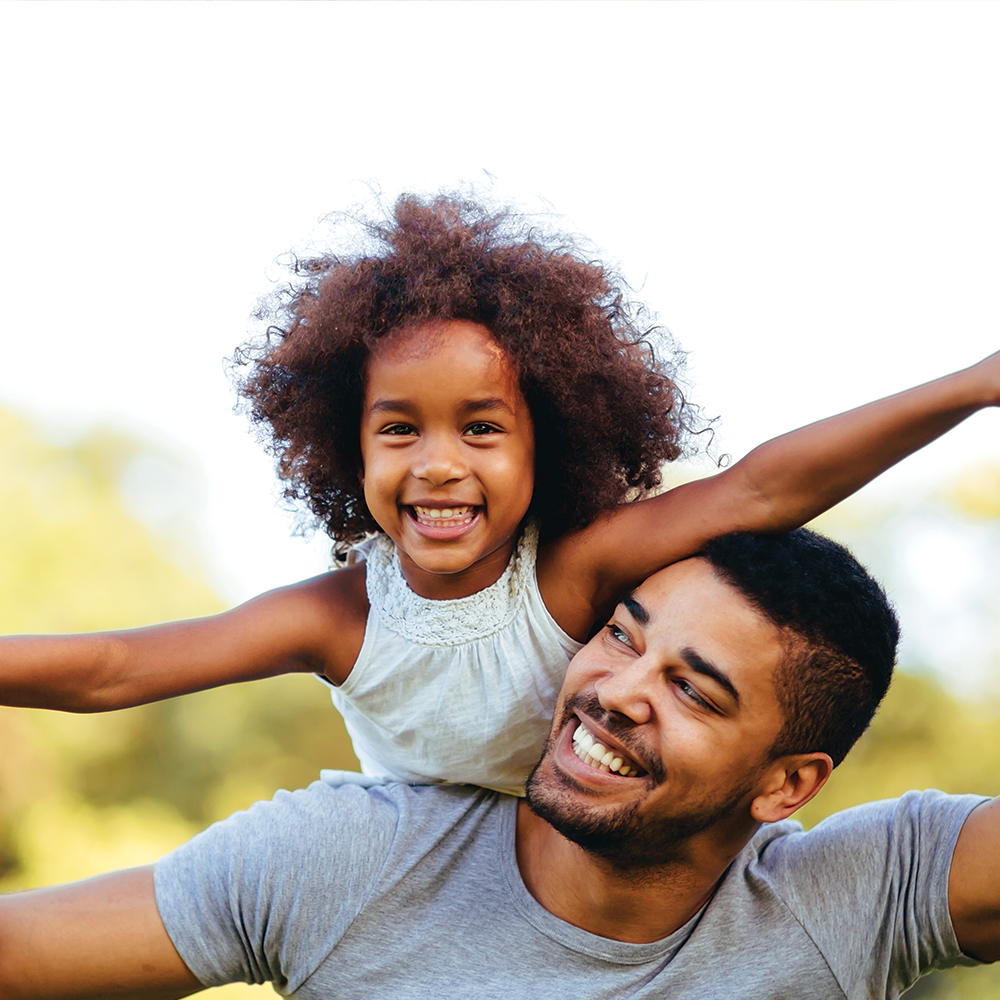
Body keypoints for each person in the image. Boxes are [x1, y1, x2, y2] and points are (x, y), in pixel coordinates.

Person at [2, 193, 999, 796]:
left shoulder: (570, 574)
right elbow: (115, 668)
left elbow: (765, 486)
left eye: (480, 428)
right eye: (400, 429)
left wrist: (973, 383)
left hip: (591, 853)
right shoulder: (337, 615)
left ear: (547, 446)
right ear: (347, 452)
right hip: (419, 874)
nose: (438, 464)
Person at [3, 528, 997, 999]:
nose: (614, 688)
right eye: (619, 633)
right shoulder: (354, 856)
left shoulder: (855, 896)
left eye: (692, 689)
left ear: (785, 782)